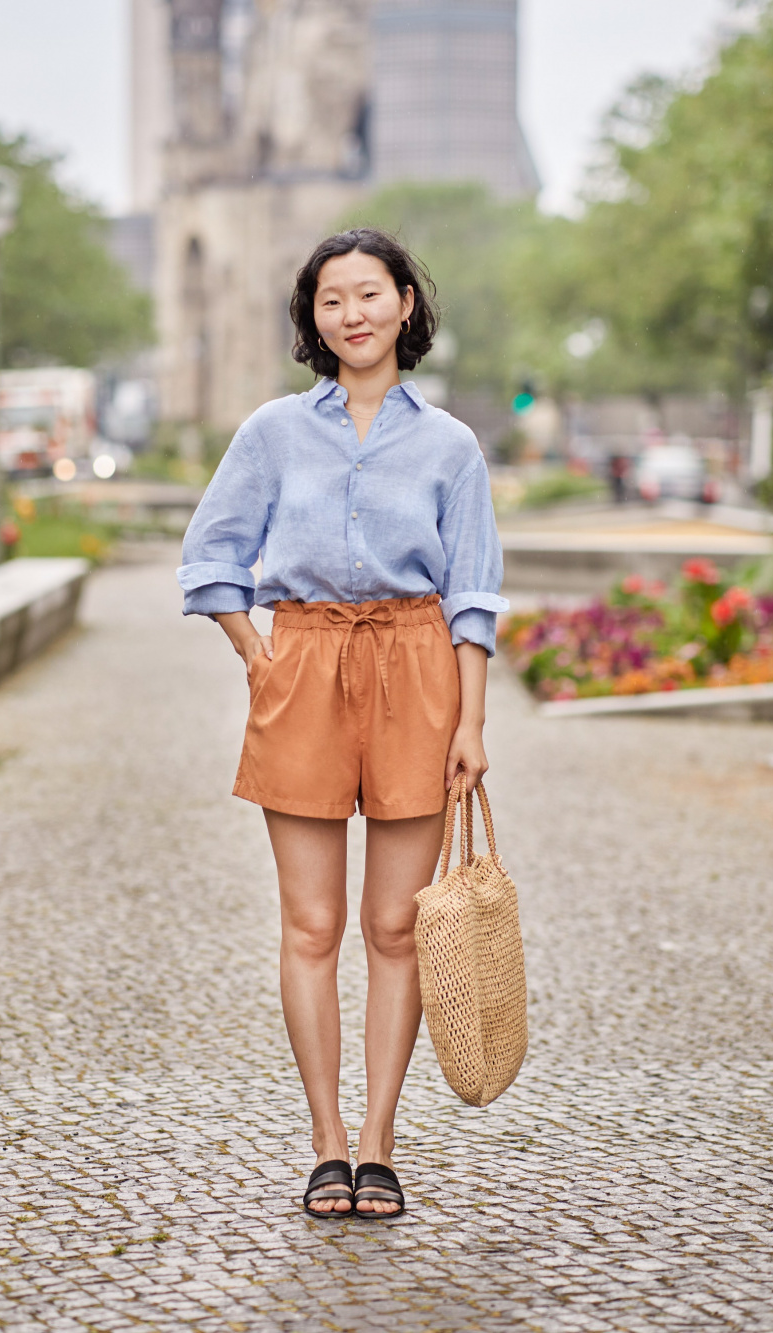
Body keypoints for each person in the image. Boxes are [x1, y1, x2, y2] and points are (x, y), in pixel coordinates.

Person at [177, 228, 508, 1219]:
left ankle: (379, 1142)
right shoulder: (274, 433)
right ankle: (325, 1142)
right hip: (306, 660)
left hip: (417, 668)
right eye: (332, 300)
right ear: (312, 318)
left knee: (396, 929)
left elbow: (473, 592)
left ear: (408, 303)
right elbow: (211, 552)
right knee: (312, 924)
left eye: (370, 294)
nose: (352, 313)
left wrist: (472, 721)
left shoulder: (450, 445)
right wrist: (257, 652)